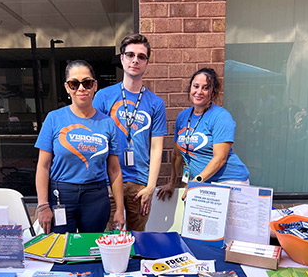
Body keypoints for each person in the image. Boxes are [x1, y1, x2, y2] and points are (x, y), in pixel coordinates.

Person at [35, 60, 125, 234]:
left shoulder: (108, 123)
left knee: (91, 249)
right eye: (74, 83)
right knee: (61, 250)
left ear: (95, 86)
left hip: (96, 197)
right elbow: (43, 166)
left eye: (87, 82)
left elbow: (114, 170)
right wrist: (43, 205)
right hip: (61, 194)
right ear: (67, 88)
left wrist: (120, 209)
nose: (81, 88)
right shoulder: (54, 119)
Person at [93, 33, 167, 231]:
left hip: (140, 183)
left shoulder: (156, 103)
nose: (135, 60)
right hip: (109, 180)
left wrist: (151, 186)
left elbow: (157, 147)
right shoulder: (103, 96)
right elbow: (94, 141)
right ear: (122, 58)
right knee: (107, 239)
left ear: (147, 62)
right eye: (130, 54)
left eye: (141, 56)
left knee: (138, 238)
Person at [157, 68, 249, 201]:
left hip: (229, 182)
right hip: (202, 183)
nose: (199, 92)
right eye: (196, 86)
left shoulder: (221, 117)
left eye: (205, 88)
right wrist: (172, 182)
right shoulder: (183, 117)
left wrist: (195, 182)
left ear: (213, 92)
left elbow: (220, 159)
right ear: (190, 88)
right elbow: (177, 155)